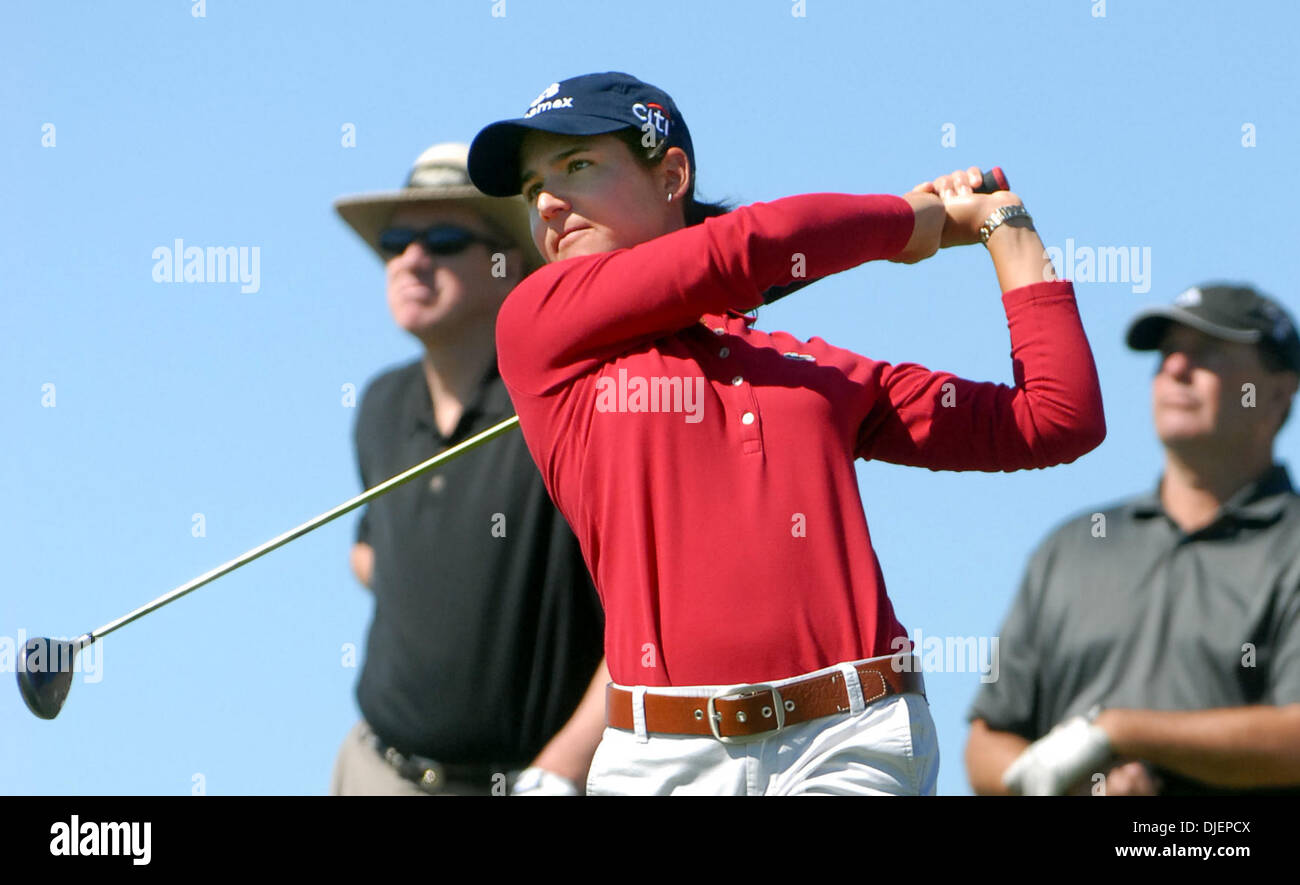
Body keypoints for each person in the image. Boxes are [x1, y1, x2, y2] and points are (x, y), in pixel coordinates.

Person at [465, 72, 1106, 795]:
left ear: (672, 173)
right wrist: (907, 221)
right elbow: (743, 251)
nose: (548, 202)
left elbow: (1055, 419)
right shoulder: (536, 323)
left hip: (852, 738)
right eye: (531, 191)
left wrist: (1004, 229)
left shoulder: (807, 372)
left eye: (577, 166)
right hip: (657, 761)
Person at [329, 142, 607, 796]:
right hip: (375, 770)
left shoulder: (567, 405)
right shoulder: (380, 405)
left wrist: (564, 767)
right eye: (397, 242)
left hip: (533, 783)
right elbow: (369, 552)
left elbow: (645, 617)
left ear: (511, 263)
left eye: (446, 238)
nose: (413, 259)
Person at [966, 283, 1300, 796]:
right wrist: (1072, 784)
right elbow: (989, 739)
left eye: (1208, 353)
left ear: (1278, 393)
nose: (1175, 370)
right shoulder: (1076, 547)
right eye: (1167, 354)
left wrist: (1117, 733)